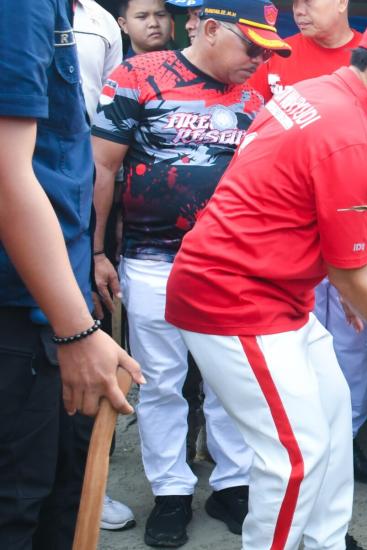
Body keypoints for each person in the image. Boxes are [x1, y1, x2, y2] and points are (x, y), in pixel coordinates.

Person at [164, 9, 367, 549]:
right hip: (233, 297)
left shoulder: (317, 90)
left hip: (280, 291)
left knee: (330, 422)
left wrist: (343, 278)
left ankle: (325, 541)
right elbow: (352, 275)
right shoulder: (348, 136)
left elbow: (302, 211)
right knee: (293, 456)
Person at [91, 0, 291, 544]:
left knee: (232, 382)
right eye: (252, 48)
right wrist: (97, 252)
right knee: (160, 382)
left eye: (267, 52)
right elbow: (102, 166)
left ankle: (233, 485)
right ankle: (171, 493)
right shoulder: (137, 75)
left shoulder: (257, 97)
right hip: (152, 260)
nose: (259, 61)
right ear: (210, 29)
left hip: (232, 265)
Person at [0, 0, 143, 548]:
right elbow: (9, 177)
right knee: (21, 503)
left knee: (63, 497)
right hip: (24, 308)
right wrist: (75, 331)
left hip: (53, 292)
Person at [248, 0, 367, 487]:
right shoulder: (275, 55)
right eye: (294, 3)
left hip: (357, 223)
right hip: (292, 237)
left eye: (310, 0)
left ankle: (347, 439)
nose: (299, 10)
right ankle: (303, 448)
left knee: (355, 345)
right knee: (296, 346)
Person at [74, 0, 139, 532]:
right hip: (27, 175)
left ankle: (85, 484)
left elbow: (104, 137)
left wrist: (99, 248)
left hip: (73, 193)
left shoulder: (96, 19)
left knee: (88, 342)